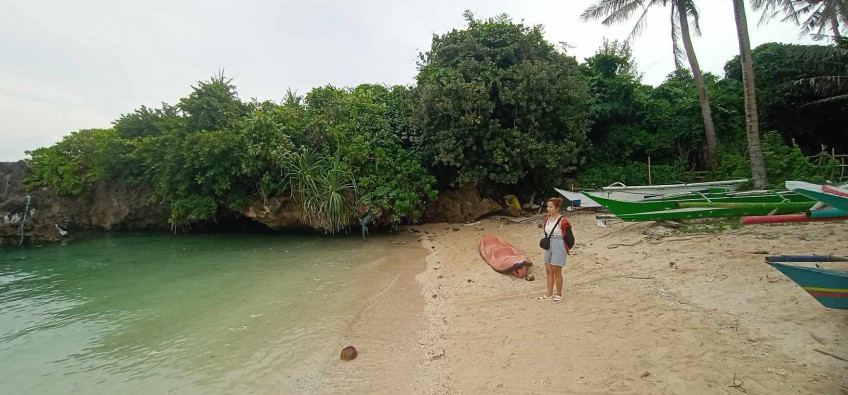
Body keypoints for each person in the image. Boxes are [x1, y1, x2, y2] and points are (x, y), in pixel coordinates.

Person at [538, 197, 572, 303]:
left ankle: (559, 293)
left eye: (551, 207)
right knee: (548, 269)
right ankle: (549, 293)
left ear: (557, 208)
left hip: (559, 243)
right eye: (548, 207)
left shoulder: (563, 220)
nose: (548, 209)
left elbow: (570, 238)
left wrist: (565, 248)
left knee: (556, 270)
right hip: (550, 244)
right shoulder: (547, 219)